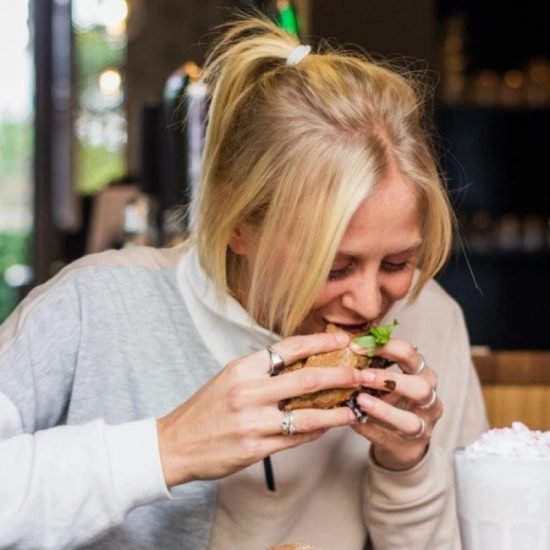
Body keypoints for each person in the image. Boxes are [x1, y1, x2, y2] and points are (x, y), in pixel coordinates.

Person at [0, 15, 488, 550]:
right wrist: (168, 447)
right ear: (236, 225)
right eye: (332, 267)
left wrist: (407, 467)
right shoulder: (93, 306)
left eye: (397, 263)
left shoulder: (433, 318)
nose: (372, 302)